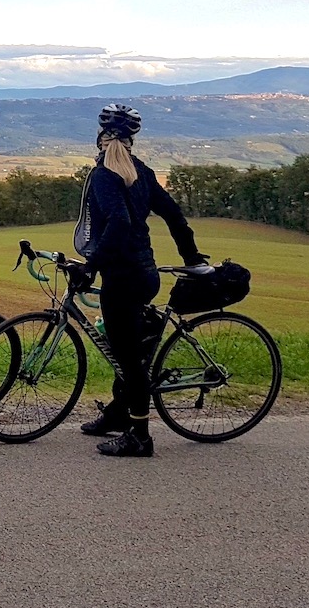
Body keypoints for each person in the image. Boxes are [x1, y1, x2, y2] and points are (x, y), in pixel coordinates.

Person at [74, 103, 209, 458]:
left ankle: (140, 436)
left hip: (123, 278)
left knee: (128, 359)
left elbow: (119, 223)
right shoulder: (144, 172)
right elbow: (174, 215)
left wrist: (91, 266)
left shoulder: (105, 174)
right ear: (132, 140)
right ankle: (119, 413)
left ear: (100, 138)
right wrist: (191, 255)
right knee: (124, 350)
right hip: (145, 275)